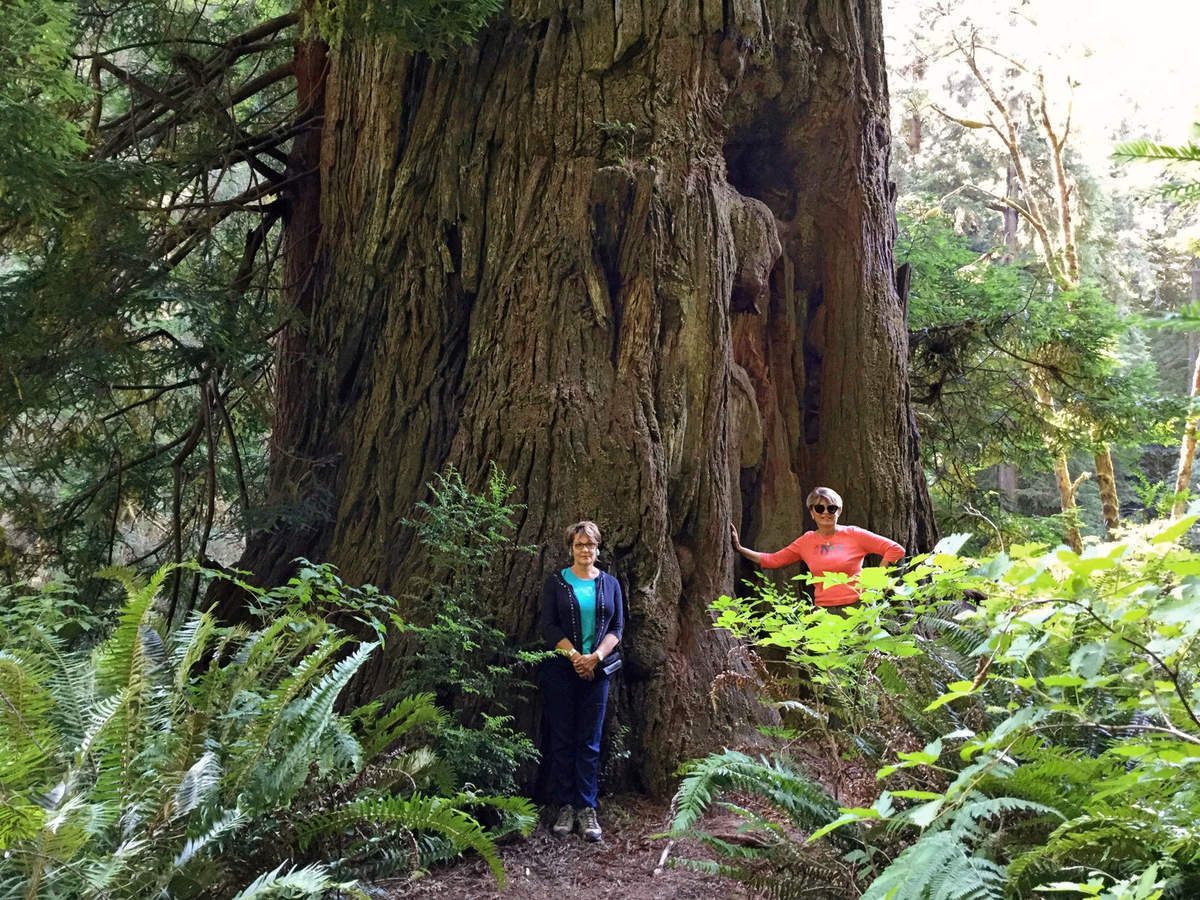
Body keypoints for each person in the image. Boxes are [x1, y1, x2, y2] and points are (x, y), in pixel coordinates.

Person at [538, 520, 624, 842]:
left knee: (590, 740)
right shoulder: (556, 583)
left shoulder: (611, 585)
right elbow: (549, 626)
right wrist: (575, 656)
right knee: (562, 737)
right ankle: (564, 806)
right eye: (579, 545)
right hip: (562, 670)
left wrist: (595, 658)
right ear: (571, 549)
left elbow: (617, 628)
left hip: (598, 671)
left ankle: (586, 807)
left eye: (590, 545)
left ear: (598, 548)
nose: (585, 550)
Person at [730, 486, 904, 612]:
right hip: (824, 611)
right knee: (828, 662)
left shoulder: (854, 534)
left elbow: (895, 549)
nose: (825, 513)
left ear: (839, 511)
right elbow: (773, 560)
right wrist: (739, 548)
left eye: (831, 508)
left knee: (859, 661)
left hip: (858, 607)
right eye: (819, 508)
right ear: (812, 512)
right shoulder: (806, 541)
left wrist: (875, 582)